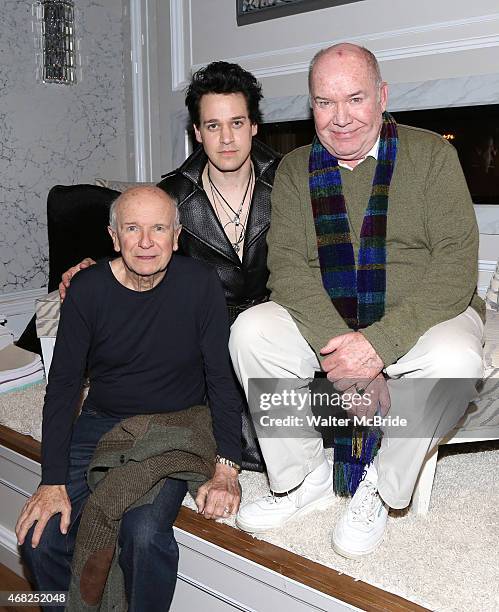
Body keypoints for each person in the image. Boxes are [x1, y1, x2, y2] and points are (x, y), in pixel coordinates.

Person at [229, 43, 485, 558]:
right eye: (325, 102)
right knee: (251, 331)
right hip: (330, 316)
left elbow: (456, 266)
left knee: (457, 361)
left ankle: (381, 487)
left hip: (420, 316)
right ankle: (303, 479)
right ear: (311, 106)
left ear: (382, 97)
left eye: (355, 99)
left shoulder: (432, 154)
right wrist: (342, 355)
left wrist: (377, 347)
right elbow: (290, 269)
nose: (340, 118)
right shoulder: (297, 170)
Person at [16, 186, 243, 610]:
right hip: (103, 419)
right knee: (40, 538)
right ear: (113, 236)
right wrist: (52, 480)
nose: (145, 242)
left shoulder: (199, 285)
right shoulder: (88, 289)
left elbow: (220, 377)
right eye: (132, 228)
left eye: (158, 229)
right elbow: (64, 388)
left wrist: (227, 465)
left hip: (176, 425)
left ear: (176, 237)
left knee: (143, 536)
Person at [58, 61, 281, 471]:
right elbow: (142, 246)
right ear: (197, 133)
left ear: (254, 126)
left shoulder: (288, 182)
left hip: (274, 331)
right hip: (202, 339)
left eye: (237, 123)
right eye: (213, 126)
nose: (227, 138)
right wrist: (93, 268)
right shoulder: (171, 192)